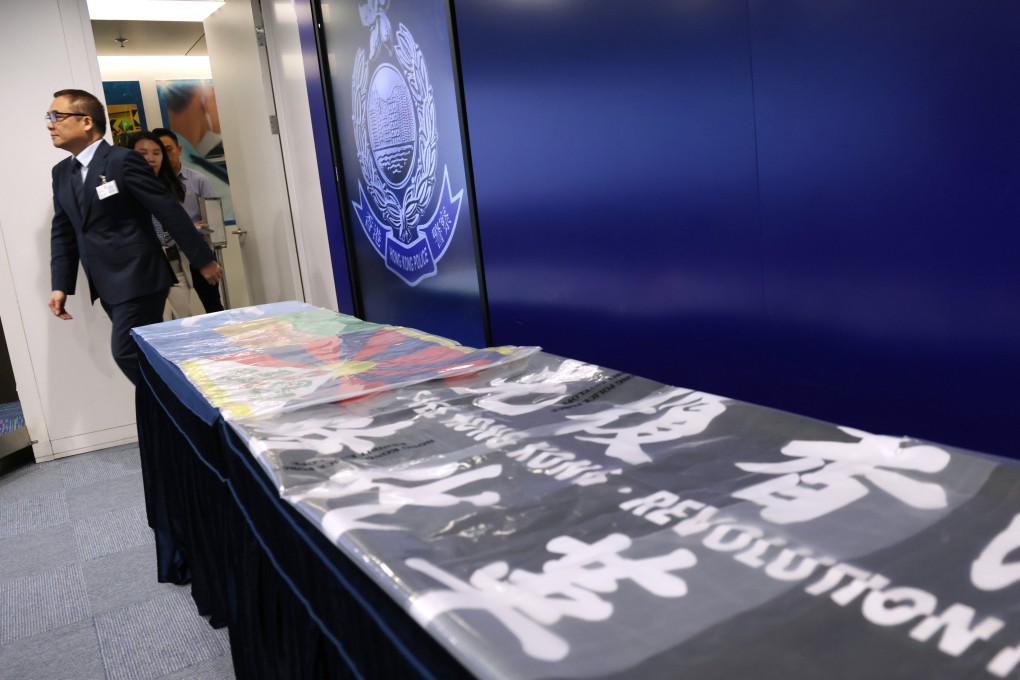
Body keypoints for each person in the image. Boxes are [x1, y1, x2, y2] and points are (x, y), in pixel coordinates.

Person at [47, 88, 223, 385]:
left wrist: (202, 259)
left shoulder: (122, 160)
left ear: (86, 121)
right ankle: (180, 401)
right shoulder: (61, 172)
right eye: (48, 117)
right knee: (146, 355)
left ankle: (183, 402)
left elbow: (167, 210)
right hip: (106, 284)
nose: (50, 124)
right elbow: (63, 231)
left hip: (140, 276)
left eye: (57, 116)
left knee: (126, 352)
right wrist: (60, 285)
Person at [153, 127, 225, 312]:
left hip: (198, 252)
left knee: (213, 307)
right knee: (178, 313)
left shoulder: (198, 180)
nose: (164, 156)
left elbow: (213, 223)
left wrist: (195, 232)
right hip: (167, 256)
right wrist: (192, 227)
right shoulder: (150, 186)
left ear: (179, 149)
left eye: (168, 149)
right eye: (159, 151)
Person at [129, 131, 193, 319]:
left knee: (185, 319)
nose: (151, 158)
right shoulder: (125, 188)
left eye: (157, 153)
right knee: (158, 322)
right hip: (146, 268)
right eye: (143, 153)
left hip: (175, 262)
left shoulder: (170, 186)